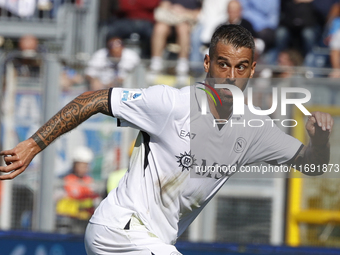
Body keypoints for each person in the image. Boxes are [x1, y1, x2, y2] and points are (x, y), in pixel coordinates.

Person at [0, 25, 333, 255]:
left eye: (241, 67)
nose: (231, 76)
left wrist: (320, 143)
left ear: (252, 70)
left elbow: (313, 165)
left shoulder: (254, 129)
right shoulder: (170, 104)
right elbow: (93, 99)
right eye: (223, 64)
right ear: (207, 63)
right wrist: (33, 144)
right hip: (119, 229)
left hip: (152, 241)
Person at [56, 146, 99, 234]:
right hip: (69, 221)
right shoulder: (66, 180)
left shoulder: (90, 182)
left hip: (86, 220)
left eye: (85, 165)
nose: (83, 168)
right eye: (81, 165)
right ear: (75, 165)